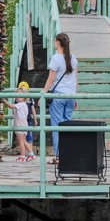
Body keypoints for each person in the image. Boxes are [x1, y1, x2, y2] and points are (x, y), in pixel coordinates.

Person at [43, 33, 78, 163]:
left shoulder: (55, 58)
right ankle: (68, 154)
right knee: (67, 126)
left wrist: (43, 94)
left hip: (58, 96)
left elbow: (51, 79)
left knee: (57, 127)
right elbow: (75, 79)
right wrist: (75, 97)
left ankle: (59, 156)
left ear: (58, 43)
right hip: (70, 96)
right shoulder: (73, 58)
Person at [3, 88, 35, 162]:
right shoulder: (25, 105)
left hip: (19, 125)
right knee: (24, 141)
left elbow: (11, 106)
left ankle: (22, 156)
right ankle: (31, 154)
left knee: (21, 142)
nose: (17, 97)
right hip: (24, 125)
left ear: (24, 97)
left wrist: (5, 101)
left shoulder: (20, 104)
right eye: (16, 95)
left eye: (19, 95)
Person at [18, 81, 38, 153]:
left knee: (29, 136)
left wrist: (35, 119)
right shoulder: (17, 99)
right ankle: (24, 153)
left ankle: (30, 152)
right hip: (20, 120)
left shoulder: (30, 98)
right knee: (21, 136)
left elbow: (33, 109)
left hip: (28, 119)